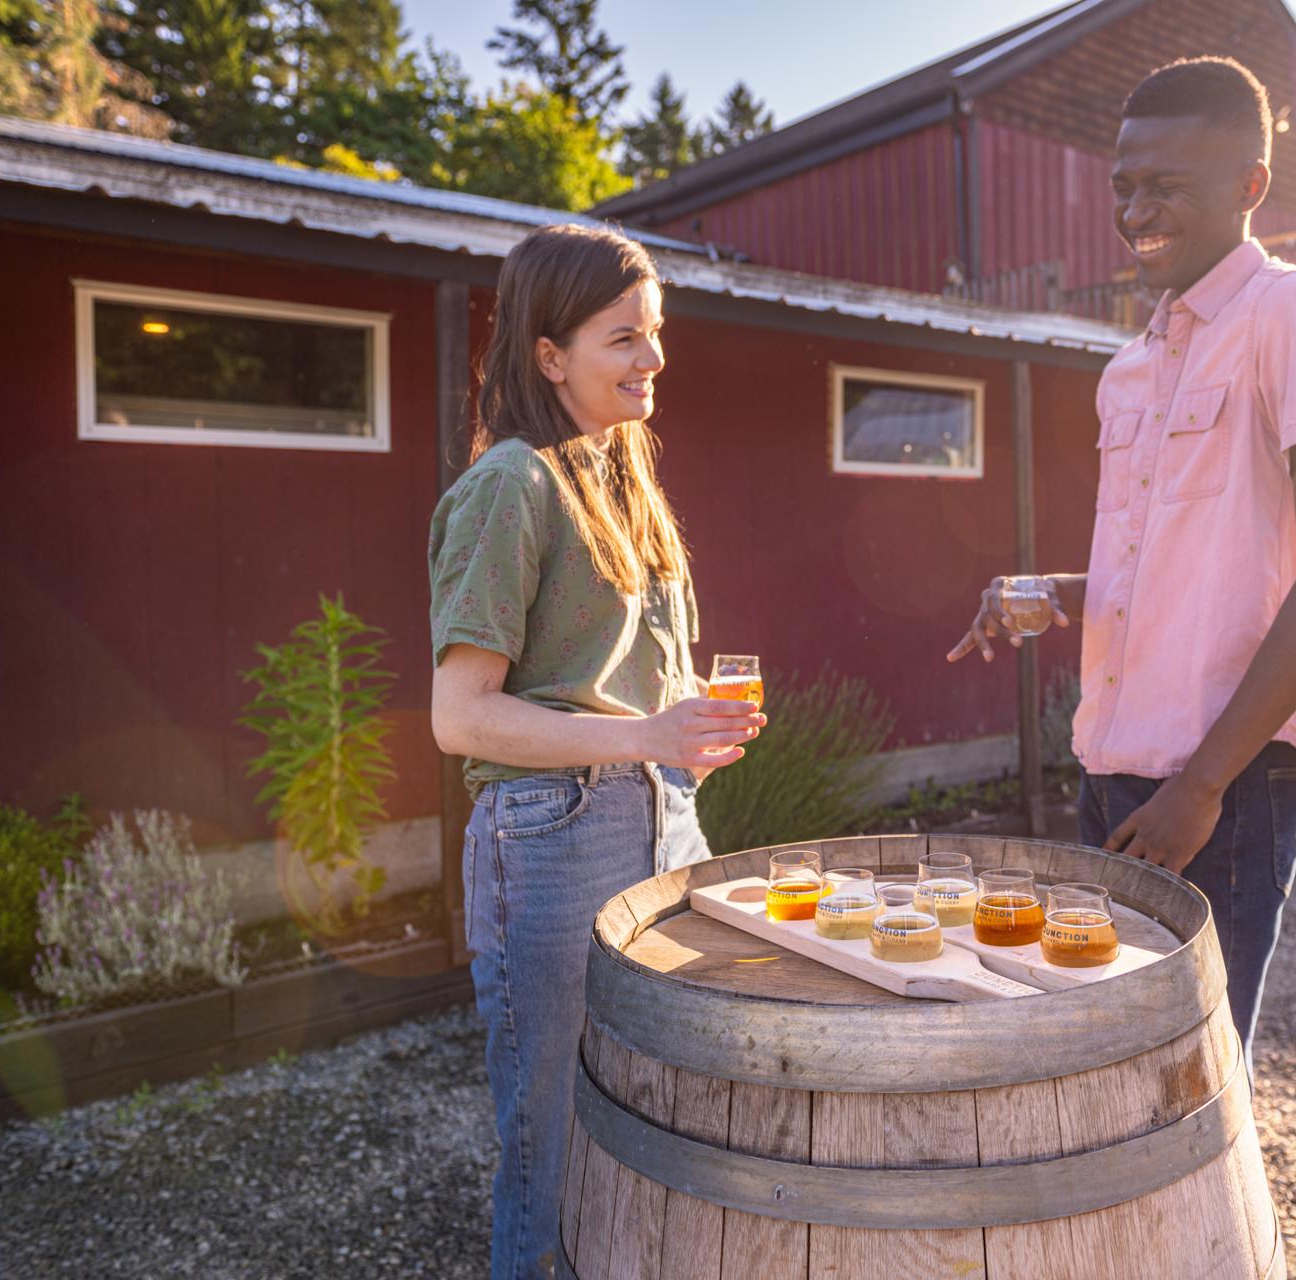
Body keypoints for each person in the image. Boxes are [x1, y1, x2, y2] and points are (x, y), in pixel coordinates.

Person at [948, 56, 1296, 1056]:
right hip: (1110, 771)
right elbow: (1177, 566)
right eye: (1124, 184)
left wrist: (1200, 787)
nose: (1136, 208)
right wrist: (1056, 594)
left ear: (1250, 188)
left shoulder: (1295, 315)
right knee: (1110, 1064)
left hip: (1222, 786)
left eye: (1168, 185)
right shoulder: (1132, 365)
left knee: (1190, 1077)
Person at [427, 223, 762, 1280]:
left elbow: (624, 678)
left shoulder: (624, 476)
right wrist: (646, 733)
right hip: (553, 835)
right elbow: (461, 716)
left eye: (655, 333)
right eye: (624, 337)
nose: (653, 359)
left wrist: (687, 730)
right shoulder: (512, 485)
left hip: (658, 815)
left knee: (651, 1114)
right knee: (557, 1140)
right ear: (547, 353)